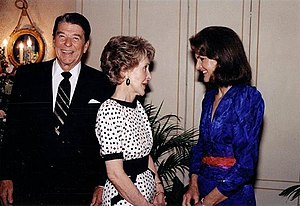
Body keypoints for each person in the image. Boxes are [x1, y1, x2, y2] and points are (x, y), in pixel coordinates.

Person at [0, 12, 114, 205]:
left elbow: (108, 141)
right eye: (62, 36)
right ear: (54, 40)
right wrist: (5, 176)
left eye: (75, 38)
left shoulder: (102, 84)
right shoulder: (28, 77)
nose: (67, 44)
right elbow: (13, 131)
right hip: (30, 188)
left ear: (86, 46)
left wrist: (102, 184)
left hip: (80, 191)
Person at [182, 26, 265, 206]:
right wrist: (193, 184)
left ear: (222, 58)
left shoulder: (248, 98)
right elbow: (201, 146)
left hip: (232, 196)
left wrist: (207, 202)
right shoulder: (209, 98)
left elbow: (246, 165)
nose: (197, 67)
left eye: (202, 59)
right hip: (203, 188)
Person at [95, 36, 166, 206]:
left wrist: (159, 189)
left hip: (145, 198)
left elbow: (145, 153)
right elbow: (115, 173)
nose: (148, 76)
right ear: (125, 70)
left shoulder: (137, 107)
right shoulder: (109, 111)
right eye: (145, 68)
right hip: (124, 201)